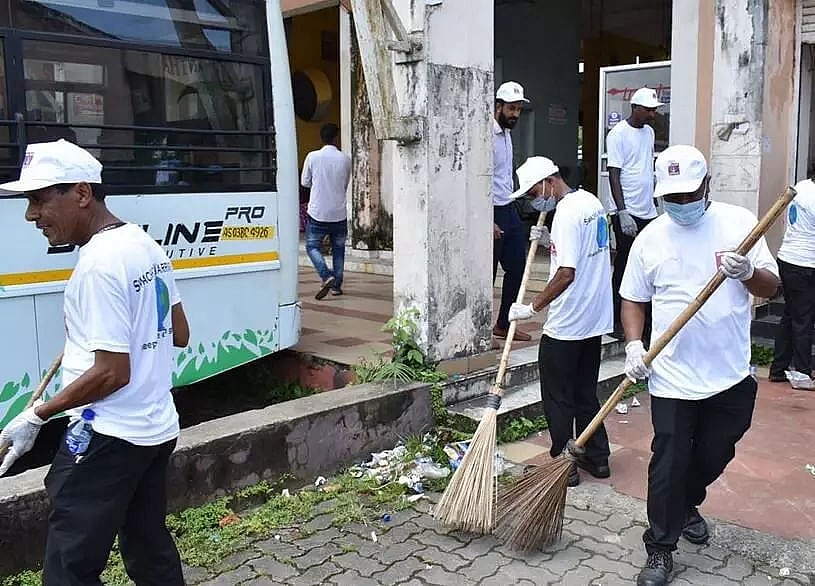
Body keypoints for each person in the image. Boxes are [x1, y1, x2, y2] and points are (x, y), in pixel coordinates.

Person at [0, 139, 190, 585]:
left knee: (69, 570)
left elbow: (113, 372)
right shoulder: (143, 243)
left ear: (82, 193)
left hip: (108, 438)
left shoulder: (98, 265)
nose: (31, 215)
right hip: (157, 430)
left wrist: (37, 414)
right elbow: (179, 333)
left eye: (39, 199)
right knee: (149, 550)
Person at [620, 145, 779, 586]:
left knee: (716, 451)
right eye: (672, 197)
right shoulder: (651, 238)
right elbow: (633, 298)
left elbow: (771, 285)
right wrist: (633, 346)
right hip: (672, 375)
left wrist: (747, 272)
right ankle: (660, 548)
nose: (682, 204)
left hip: (729, 372)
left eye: (690, 194)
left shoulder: (739, 224)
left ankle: (687, 502)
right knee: (668, 462)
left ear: (707, 185)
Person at [508, 157, 613, 487]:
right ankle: (598, 457)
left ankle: (564, 464)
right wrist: (546, 241)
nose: (533, 201)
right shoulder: (590, 202)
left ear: (549, 183)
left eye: (533, 193)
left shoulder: (566, 213)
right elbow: (586, 249)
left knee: (558, 395)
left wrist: (531, 308)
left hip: (568, 322)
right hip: (594, 318)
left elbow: (567, 273)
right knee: (585, 393)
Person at [607, 86, 664, 340]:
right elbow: (614, 174)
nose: (652, 114)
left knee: (647, 264)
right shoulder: (618, 134)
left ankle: (646, 321)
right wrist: (622, 211)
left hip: (647, 210)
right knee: (624, 265)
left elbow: (646, 166)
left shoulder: (649, 132)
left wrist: (654, 197)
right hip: (627, 210)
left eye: (654, 110)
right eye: (648, 110)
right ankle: (616, 320)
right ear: (635, 108)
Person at [492, 81, 532, 342]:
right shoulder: (486, 134)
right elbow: (478, 177)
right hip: (491, 212)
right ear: (498, 106)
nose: (515, 114)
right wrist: (487, 220)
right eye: (511, 108)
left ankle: (504, 325)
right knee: (487, 275)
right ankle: (478, 332)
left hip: (509, 208)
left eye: (518, 109)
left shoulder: (506, 134)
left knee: (518, 267)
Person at [769, 177, 815, 385]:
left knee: (791, 315)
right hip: (805, 263)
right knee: (803, 319)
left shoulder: (801, 186)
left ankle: (778, 369)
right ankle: (803, 374)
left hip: (788, 258)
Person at [301, 122, 352, 299]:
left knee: (312, 246)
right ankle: (336, 286)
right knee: (338, 249)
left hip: (318, 212)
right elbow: (345, 183)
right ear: (336, 138)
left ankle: (326, 274)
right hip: (339, 212)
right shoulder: (345, 159)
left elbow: (305, 182)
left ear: (321, 138)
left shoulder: (312, 157)